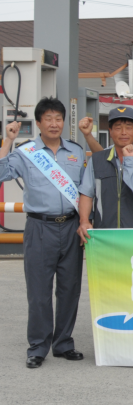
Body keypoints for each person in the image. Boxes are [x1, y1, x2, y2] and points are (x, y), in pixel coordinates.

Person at [0, 98, 93, 368]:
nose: (54, 124)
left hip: (72, 226)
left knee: (70, 289)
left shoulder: (76, 151)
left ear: (64, 122)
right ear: (39, 123)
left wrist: (84, 220)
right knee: (39, 291)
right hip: (40, 227)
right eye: (48, 119)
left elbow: (86, 189)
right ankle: (38, 347)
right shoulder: (26, 152)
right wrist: (8, 140)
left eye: (58, 118)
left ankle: (63, 343)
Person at [78, 106, 133, 231]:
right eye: (118, 128)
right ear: (110, 131)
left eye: (128, 127)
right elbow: (87, 194)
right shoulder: (96, 160)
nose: (123, 132)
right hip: (104, 233)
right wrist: (84, 221)